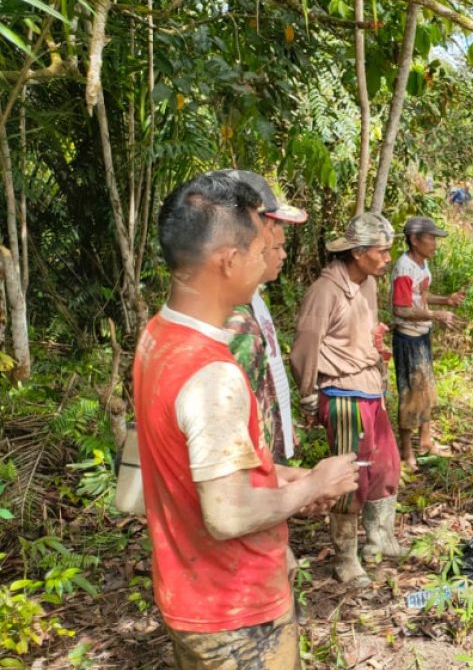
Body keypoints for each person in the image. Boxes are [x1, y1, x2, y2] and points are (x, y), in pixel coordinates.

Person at [134, 173, 358, 669]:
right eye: (262, 247)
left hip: (191, 593)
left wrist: (281, 477)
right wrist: (314, 483)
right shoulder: (212, 371)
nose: (271, 254)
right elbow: (229, 515)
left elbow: (199, 463)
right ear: (229, 260)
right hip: (234, 608)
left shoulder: (159, 335)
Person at [291, 213, 403, 586]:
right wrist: (308, 395)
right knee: (351, 475)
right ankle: (345, 558)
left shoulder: (367, 283)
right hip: (342, 392)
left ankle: (378, 539)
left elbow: (367, 332)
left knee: (385, 465)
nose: (388, 258)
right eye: (382, 252)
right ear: (358, 253)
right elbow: (306, 345)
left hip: (370, 386)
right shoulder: (324, 291)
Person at [221, 170, 308, 465]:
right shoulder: (234, 319)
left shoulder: (254, 296)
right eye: (273, 245)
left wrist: (282, 424)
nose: (281, 254)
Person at [391, 217, 467, 471]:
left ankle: (426, 440)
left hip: (421, 334)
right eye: (431, 238)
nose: (434, 243)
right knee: (410, 393)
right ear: (414, 240)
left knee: (426, 390)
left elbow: (419, 297)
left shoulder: (422, 265)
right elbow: (401, 308)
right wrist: (436, 315)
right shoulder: (404, 267)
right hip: (408, 337)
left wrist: (445, 300)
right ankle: (407, 452)